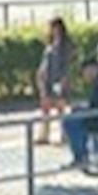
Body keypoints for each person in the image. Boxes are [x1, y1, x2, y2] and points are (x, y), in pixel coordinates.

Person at [36, 16, 73, 147]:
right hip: (49, 79)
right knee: (46, 106)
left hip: (59, 79)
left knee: (60, 106)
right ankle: (44, 134)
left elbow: (67, 63)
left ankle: (65, 135)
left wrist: (65, 78)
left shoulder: (65, 46)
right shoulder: (50, 44)